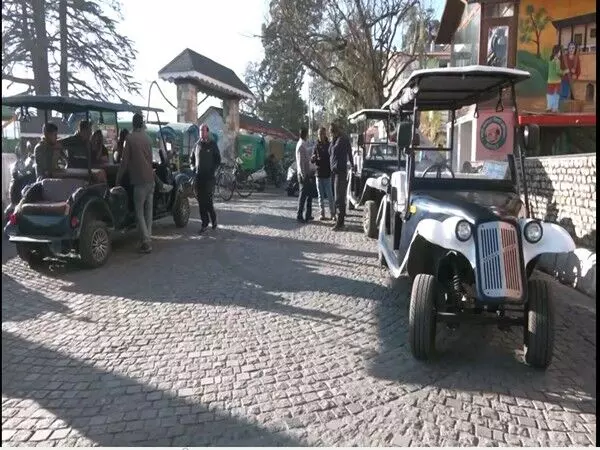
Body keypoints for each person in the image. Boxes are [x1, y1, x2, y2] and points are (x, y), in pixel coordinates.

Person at [115, 113, 156, 254]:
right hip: (150, 180)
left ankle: (146, 241)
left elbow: (124, 162)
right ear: (142, 123)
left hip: (138, 180)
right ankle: (148, 238)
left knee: (139, 212)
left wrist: (118, 179)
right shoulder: (148, 139)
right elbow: (150, 160)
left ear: (133, 124)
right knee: (148, 212)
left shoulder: (130, 139)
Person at [190, 124, 221, 233]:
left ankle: (213, 218)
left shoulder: (212, 145)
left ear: (207, 132)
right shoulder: (196, 145)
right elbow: (191, 160)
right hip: (199, 177)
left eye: (203, 131)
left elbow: (218, 160)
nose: (202, 133)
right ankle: (204, 223)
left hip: (209, 178)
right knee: (201, 201)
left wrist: (213, 170)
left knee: (207, 200)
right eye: (200, 131)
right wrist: (193, 168)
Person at [329, 122, 355, 231]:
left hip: (340, 172)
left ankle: (340, 222)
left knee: (339, 197)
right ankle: (339, 220)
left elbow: (349, 153)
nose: (331, 135)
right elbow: (331, 152)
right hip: (334, 172)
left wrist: (352, 165)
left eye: (332, 133)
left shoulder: (343, 139)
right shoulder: (335, 140)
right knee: (337, 197)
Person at [311, 126, 335, 221]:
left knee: (329, 196)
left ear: (325, 134)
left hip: (327, 174)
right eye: (319, 134)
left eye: (323, 133)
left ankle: (333, 214)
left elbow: (331, 158)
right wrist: (314, 158)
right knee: (320, 196)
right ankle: (322, 214)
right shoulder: (316, 146)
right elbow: (312, 158)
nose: (321, 135)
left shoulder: (329, 145)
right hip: (318, 174)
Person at [295, 127, 313, 223]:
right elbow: (301, 162)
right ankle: (299, 215)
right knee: (303, 195)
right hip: (303, 174)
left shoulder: (303, 144)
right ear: (305, 135)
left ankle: (308, 214)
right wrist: (303, 175)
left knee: (309, 194)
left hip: (306, 173)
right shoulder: (301, 145)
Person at [546, 45, 568, 113]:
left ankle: (549, 107)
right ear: (558, 52)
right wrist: (565, 71)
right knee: (556, 95)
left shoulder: (550, 60)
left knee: (550, 94)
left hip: (550, 81)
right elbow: (558, 72)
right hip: (556, 81)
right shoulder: (557, 61)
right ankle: (554, 108)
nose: (560, 54)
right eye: (560, 52)